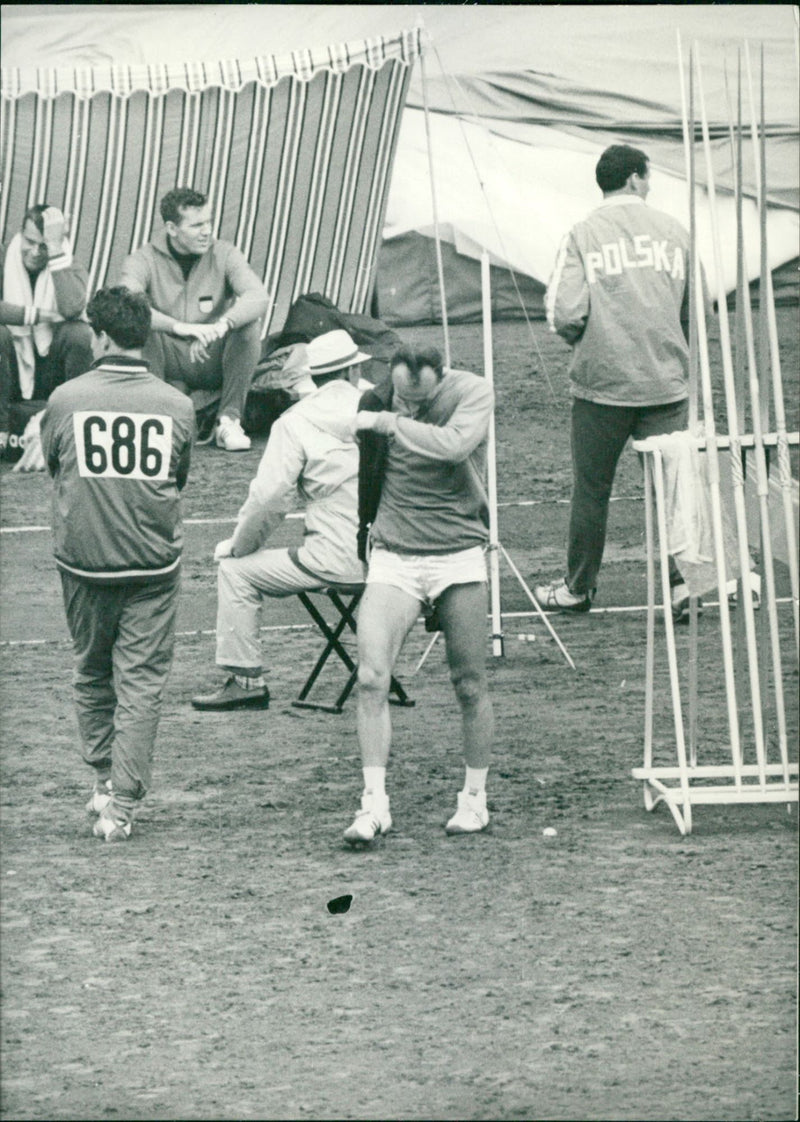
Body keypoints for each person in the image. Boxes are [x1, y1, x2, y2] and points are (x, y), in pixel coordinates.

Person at [40, 286, 195, 842]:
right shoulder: (178, 404)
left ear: (99, 337)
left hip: (83, 563)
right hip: (153, 566)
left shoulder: (64, 399)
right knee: (142, 685)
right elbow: (178, 477)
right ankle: (122, 803)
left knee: (91, 670)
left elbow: (57, 467)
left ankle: (107, 783)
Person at [534, 144, 700, 622]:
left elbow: (564, 312)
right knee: (672, 490)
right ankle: (682, 586)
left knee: (591, 490)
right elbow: (696, 309)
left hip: (602, 386)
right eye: (647, 177)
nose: (649, 184)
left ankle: (578, 588)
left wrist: (591, 344)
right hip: (666, 383)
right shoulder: (675, 231)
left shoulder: (583, 234)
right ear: (633, 178)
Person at [343, 346, 495, 844]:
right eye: (401, 396)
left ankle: (474, 800)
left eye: (419, 397)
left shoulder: (473, 391)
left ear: (442, 376)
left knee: (469, 683)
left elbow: (454, 445)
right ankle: (374, 805)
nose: (408, 405)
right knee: (369, 677)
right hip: (395, 555)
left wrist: (389, 423)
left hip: (458, 553)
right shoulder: (377, 399)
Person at [191, 329, 370, 711]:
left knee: (235, 571)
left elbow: (269, 501)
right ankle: (379, 670)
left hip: (336, 561)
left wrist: (239, 546)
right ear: (353, 373)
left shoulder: (296, 422)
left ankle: (246, 680)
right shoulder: (384, 412)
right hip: (395, 560)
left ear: (312, 379)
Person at [119, 186, 269, 452]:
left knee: (248, 327)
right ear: (172, 229)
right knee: (142, 326)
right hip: (168, 358)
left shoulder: (224, 253)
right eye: (196, 225)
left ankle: (229, 421)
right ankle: (154, 418)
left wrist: (222, 325)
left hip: (211, 354)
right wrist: (180, 327)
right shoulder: (143, 258)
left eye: (209, 222)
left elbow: (258, 296)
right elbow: (127, 302)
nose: (207, 231)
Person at [1, 204, 93, 458]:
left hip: (49, 371)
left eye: (43, 245)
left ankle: (75, 426)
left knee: (78, 333)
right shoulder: (3, 259)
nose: (34, 251)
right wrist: (40, 316)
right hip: (10, 370)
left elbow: (73, 308)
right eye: (29, 241)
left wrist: (56, 252)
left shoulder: (67, 264)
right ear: (19, 233)